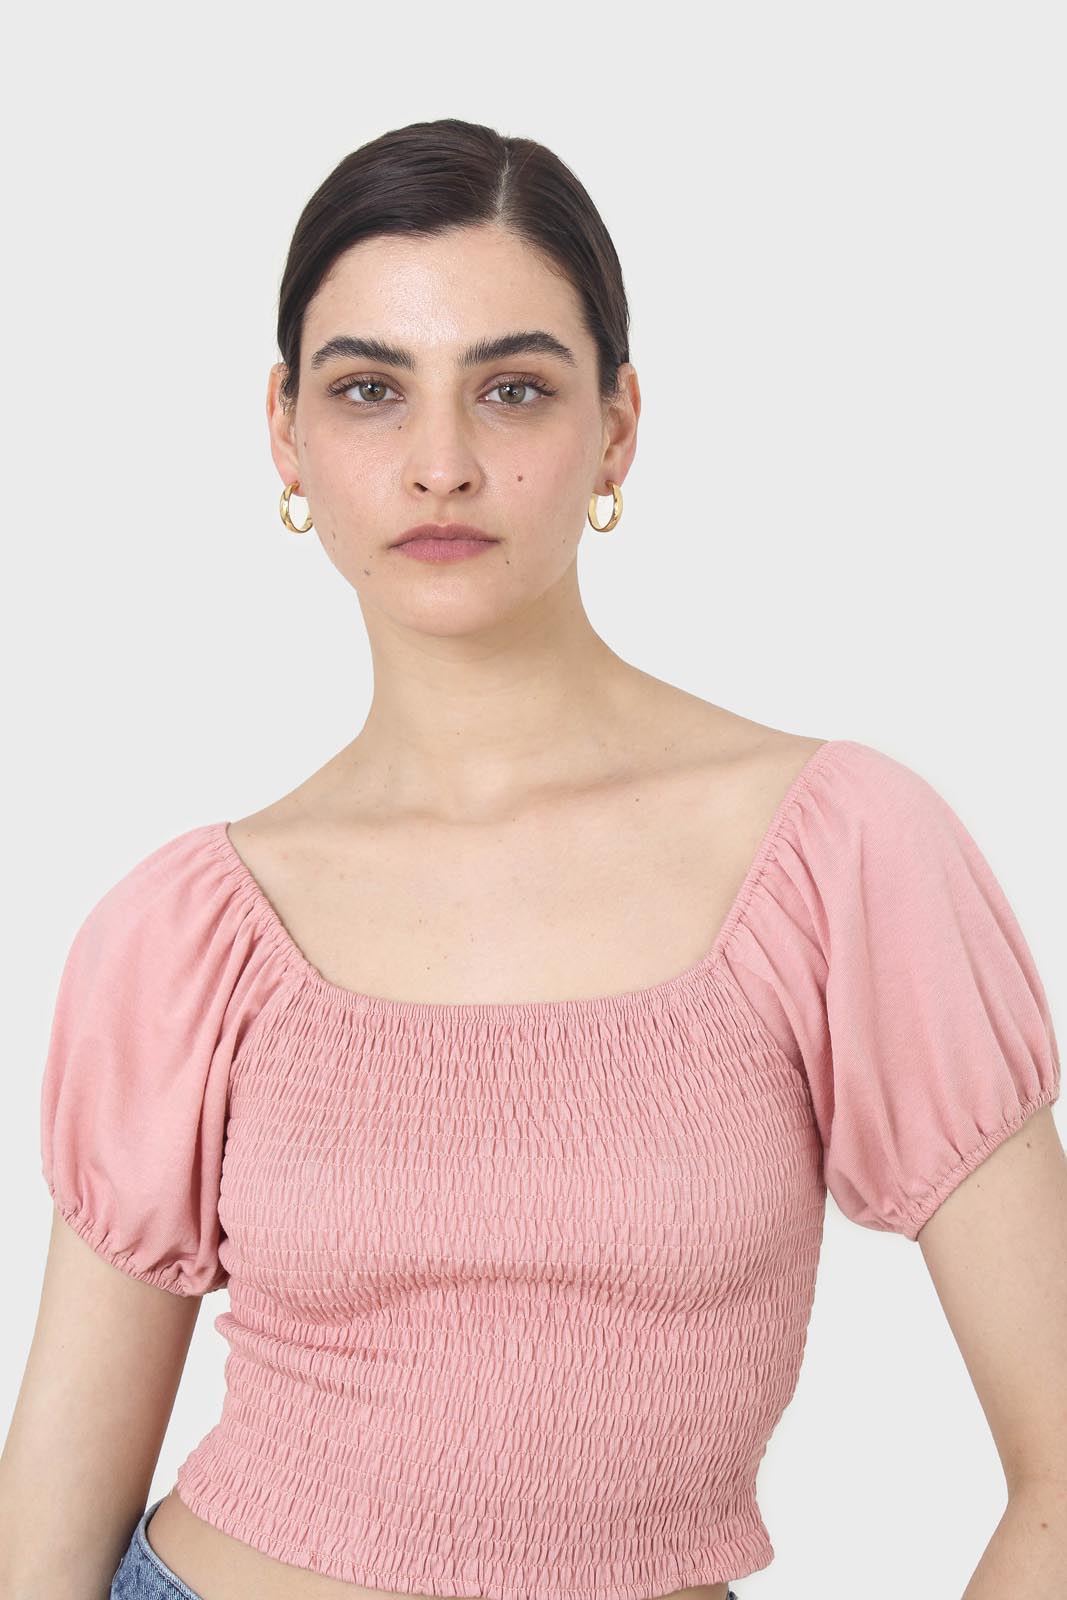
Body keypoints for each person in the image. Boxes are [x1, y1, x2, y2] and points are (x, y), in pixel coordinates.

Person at [2, 117, 1063, 1600]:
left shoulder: (837, 854)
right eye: (370, 390)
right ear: (286, 433)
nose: (440, 465)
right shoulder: (189, 934)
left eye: (512, 389)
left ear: (617, 425)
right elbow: (44, 1531)